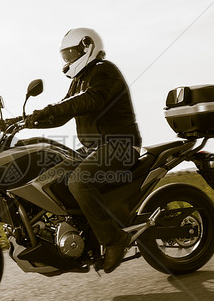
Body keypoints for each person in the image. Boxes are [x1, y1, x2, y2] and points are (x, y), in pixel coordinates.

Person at [27, 28, 141, 273]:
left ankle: (113, 240)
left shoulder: (104, 72)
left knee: (79, 182)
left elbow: (91, 100)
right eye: (65, 55)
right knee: (53, 177)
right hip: (95, 148)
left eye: (71, 53)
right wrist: (26, 120)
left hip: (120, 146)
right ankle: (80, 236)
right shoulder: (80, 79)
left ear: (87, 47)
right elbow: (63, 112)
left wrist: (48, 110)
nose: (67, 60)